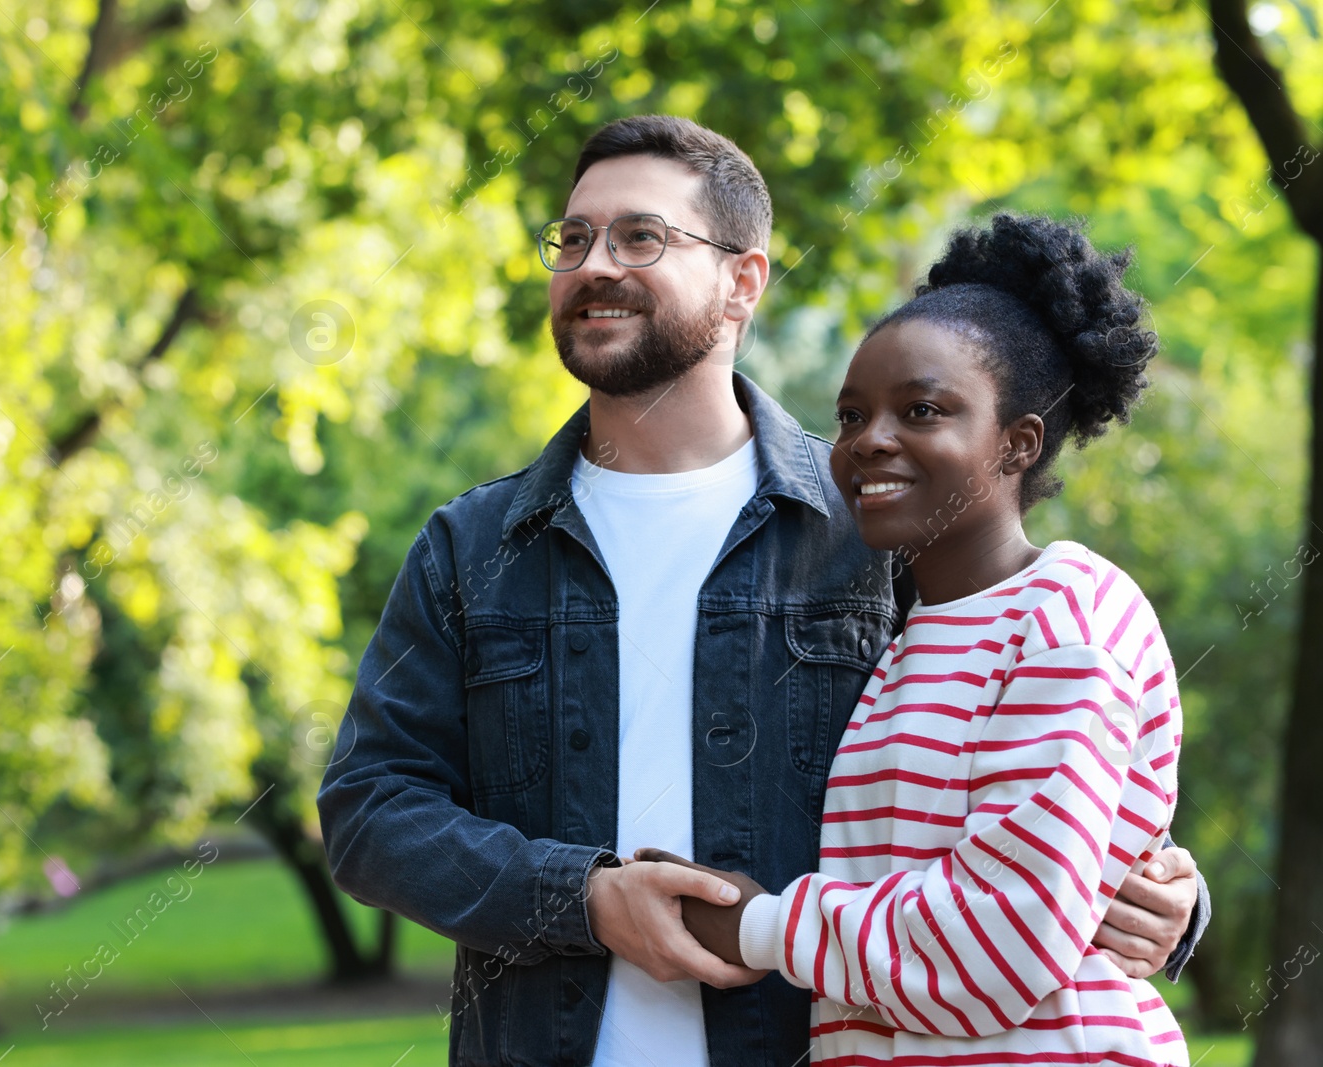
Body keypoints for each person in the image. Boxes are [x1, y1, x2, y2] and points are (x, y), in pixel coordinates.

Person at [316, 115, 1206, 1066]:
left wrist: (1172, 896)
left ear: (744, 279)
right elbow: (371, 808)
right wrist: (582, 898)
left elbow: (1041, 772)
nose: (592, 264)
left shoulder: (884, 518)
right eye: (572, 239)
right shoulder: (472, 546)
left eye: (640, 236)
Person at [644, 213, 1191, 1064]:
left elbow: (998, 944)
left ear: (1018, 442)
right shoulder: (906, 633)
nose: (870, 441)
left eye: (923, 409)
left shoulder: (1066, 619)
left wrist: (758, 924)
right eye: (852, 414)